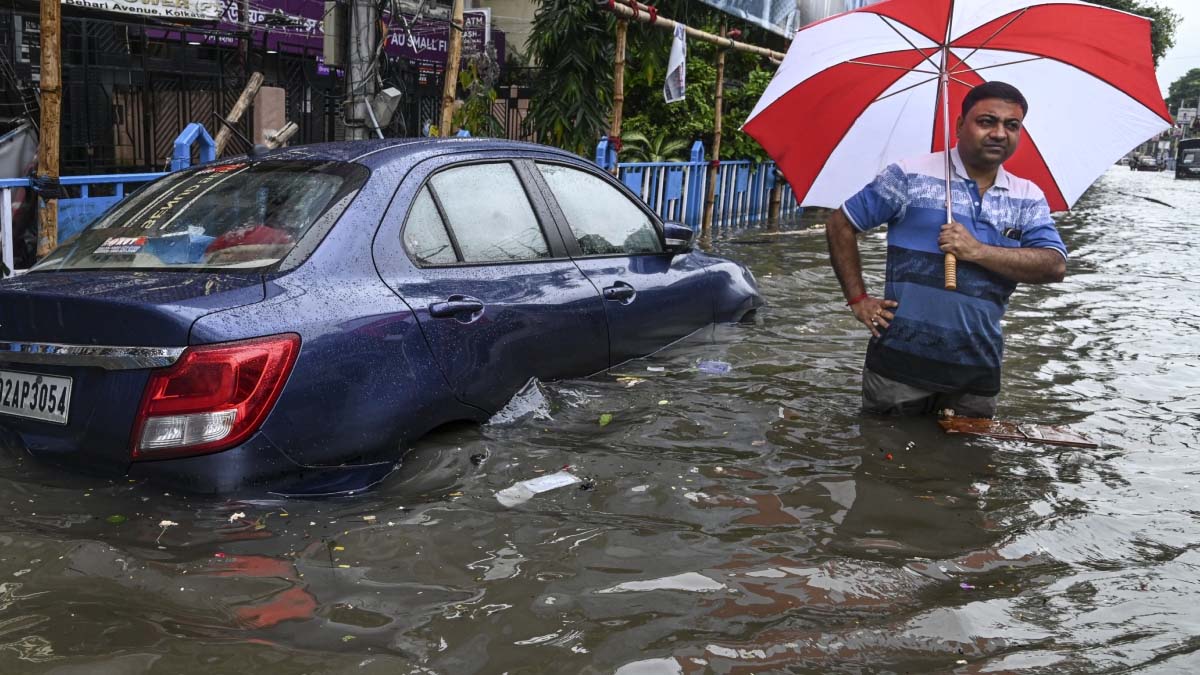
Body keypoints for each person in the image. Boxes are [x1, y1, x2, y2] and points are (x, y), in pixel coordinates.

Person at [825, 81, 1067, 418]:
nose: (999, 133)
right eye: (987, 121)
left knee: (964, 466)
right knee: (884, 461)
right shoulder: (909, 175)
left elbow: (1054, 265)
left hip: (977, 369)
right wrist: (858, 299)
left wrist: (978, 250)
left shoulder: (1027, 196)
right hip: (898, 367)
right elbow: (841, 223)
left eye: (1011, 126)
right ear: (958, 126)